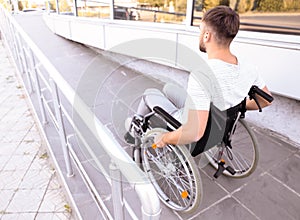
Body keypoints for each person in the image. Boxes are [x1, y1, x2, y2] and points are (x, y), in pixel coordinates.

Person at [125, 5, 272, 151]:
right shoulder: (248, 65)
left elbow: (194, 132)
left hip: (190, 122)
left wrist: (165, 138)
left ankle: (134, 132)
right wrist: (237, 105)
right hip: (216, 119)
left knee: (148, 94)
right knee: (168, 88)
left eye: (200, 30)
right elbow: (265, 100)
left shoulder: (203, 74)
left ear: (207, 35)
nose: (200, 35)